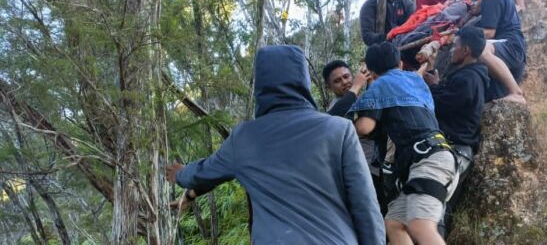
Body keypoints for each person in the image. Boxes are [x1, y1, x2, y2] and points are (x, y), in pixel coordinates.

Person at [166, 45, 385, 244]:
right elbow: (365, 205)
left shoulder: (245, 137)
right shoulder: (339, 129)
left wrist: (181, 174)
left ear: (261, 84)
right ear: (303, 81)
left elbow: (205, 172)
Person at [349, 42, 458, 245]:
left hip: (428, 161)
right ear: (399, 64)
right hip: (437, 155)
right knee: (394, 223)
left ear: (371, 72)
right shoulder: (415, 81)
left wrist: (348, 119)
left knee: (420, 225)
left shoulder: (380, 85)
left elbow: (364, 127)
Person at [423, 26, 489, 233]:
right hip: (456, 150)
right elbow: (446, 93)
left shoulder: (468, 79)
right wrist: (434, 77)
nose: (452, 50)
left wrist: (433, 87)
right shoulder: (468, 75)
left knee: (435, 211)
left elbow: (442, 104)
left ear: (466, 50)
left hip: (456, 151)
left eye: (455, 46)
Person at [322, 60, 387, 213]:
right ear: (329, 87)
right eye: (337, 81)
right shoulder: (336, 105)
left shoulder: (357, 101)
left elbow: (371, 114)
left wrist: (370, 82)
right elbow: (331, 122)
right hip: (356, 172)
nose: (344, 82)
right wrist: (356, 86)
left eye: (346, 77)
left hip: (375, 168)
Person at [464, 0, 527, 104]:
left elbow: (489, 33)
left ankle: (516, 92)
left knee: (481, 49)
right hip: (509, 55)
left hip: (511, 48)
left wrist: (462, 35)